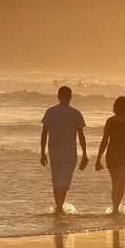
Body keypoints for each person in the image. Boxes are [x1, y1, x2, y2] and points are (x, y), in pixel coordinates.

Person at [40, 86, 88, 214]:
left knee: (56, 183)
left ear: (58, 96)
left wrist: (42, 152)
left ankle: (58, 207)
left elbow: (44, 133)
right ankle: (59, 208)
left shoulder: (50, 112)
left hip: (53, 151)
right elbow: (81, 135)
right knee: (64, 183)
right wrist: (84, 154)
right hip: (69, 153)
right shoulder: (76, 113)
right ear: (71, 97)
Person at [95, 96, 125, 215]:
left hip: (112, 155)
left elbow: (104, 141)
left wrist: (98, 158)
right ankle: (115, 209)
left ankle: (115, 208)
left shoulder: (110, 121)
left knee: (116, 183)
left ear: (115, 108)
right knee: (120, 184)